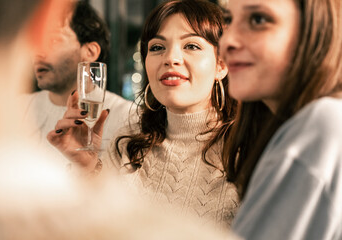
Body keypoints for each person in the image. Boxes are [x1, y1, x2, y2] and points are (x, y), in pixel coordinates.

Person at [48, 0, 239, 228]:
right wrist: (86, 166)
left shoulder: (245, 151)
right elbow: (89, 227)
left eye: (191, 46)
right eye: (157, 47)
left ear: (221, 65)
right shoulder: (129, 142)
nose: (171, 58)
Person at [219, 0, 342, 239]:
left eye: (258, 20)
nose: (227, 42)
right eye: (228, 20)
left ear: (318, 29)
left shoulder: (322, 124)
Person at [22, 0, 134, 166]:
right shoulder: (17, 108)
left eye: (52, 41)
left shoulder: (128, 118)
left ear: (90, 51)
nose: (38, 53)